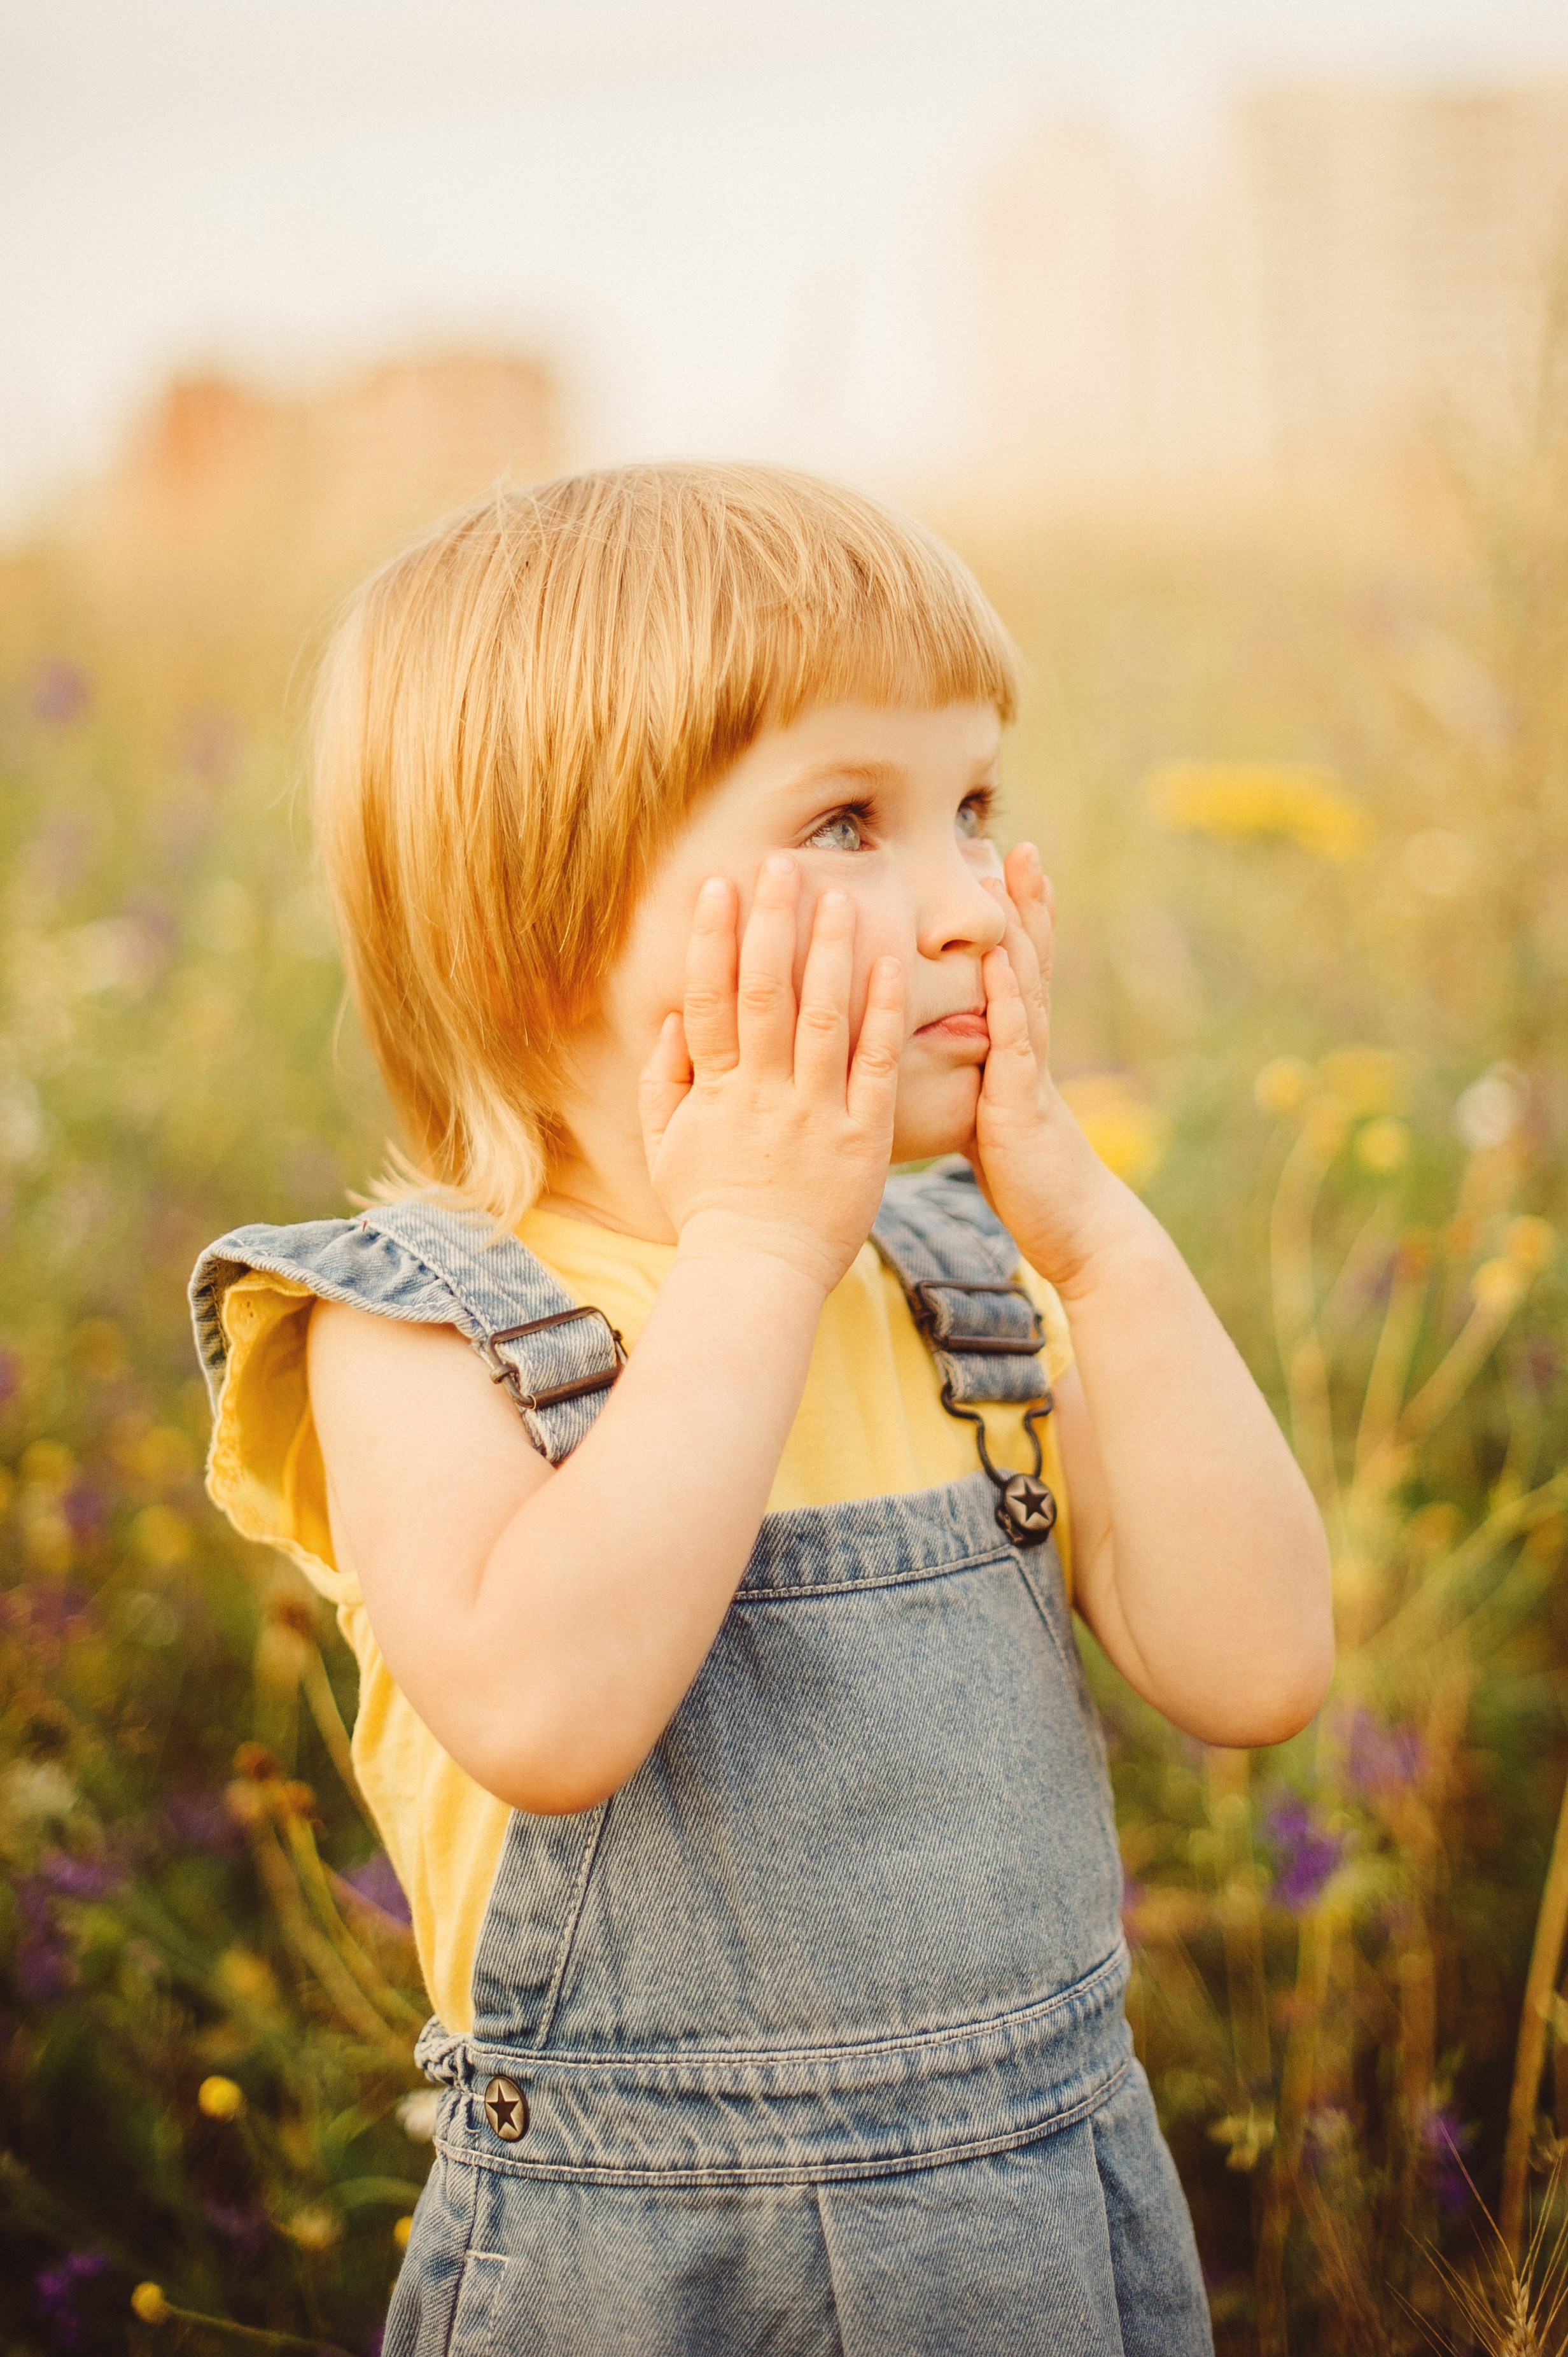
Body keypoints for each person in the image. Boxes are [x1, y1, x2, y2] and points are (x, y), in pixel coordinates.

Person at [190, 463, 1332, 2357]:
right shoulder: (418, 1332)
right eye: (849, 822)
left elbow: (1256, 1665)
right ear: (547, 916)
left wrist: (1107, 1252)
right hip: (649, 2282)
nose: (972, 902)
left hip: (1042, 2246)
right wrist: (755, 1252)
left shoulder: (970, 1278)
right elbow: (551, 1716)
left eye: (977, 807)